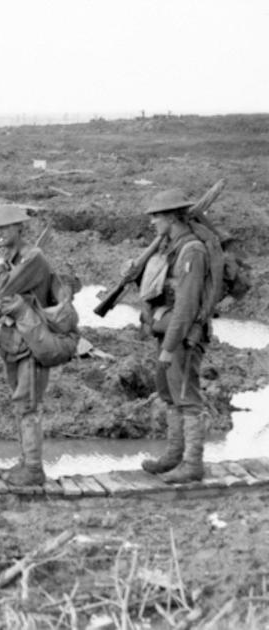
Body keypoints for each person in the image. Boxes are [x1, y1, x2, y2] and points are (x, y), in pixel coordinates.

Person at [0, 205, 56, 486]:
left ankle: (33, 469)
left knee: (28, 405)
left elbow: (1, 292)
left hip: (31, 342)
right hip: (13, 341)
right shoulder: (9, 262)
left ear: (20, 228)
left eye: (4, 229)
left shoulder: (33, 258)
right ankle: (25, 463)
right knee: (20, 405)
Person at [136, 189, 212, 484]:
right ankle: (174, 455)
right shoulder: (173, 247)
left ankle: (192, 464)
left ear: (171, 217)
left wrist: (168, 347)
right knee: (170, 395)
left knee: (186, 398)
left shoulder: (192, 251)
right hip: (169, 332)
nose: (153, 222)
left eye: (157, 216)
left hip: (183, 337)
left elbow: (187, 306)